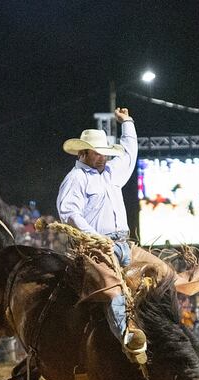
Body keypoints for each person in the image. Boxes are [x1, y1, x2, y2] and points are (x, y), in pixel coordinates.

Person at [56, 107, 146, 359]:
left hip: (122, 243)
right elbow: (70, 213)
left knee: (147, 282)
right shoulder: (76, 178)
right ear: (83, 153)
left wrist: (127, 122)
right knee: (114, 289)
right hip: (97, 247)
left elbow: (129, 153)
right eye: (98, 153)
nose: (103, 158)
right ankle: (128, 339)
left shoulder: (109, 173)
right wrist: (94, 236)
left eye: (105, 153)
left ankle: (153, 330)